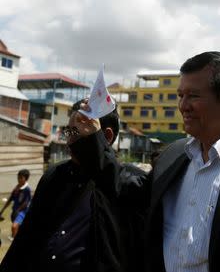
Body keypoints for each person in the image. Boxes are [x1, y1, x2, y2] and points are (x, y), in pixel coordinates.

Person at [67, 51, 220, 272]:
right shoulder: (173, 155)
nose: (183, 106)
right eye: (180, 95)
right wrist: (92, 139)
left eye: (193, 96)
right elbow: (130, 190)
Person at [0, 102, 148, 272]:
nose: (69, 140)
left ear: (106, 136)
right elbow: (26, 240)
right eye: (68, 131)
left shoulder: (128, 184)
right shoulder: (55, 176)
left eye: (77, 131)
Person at [0, 169, 32, 241]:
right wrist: (2, 210)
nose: (19, 179)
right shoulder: (16, 188)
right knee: (17, 227)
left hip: (22, 212)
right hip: (15, 211)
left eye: (21, 178)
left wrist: (18, 210)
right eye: (18, 177)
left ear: (26, 179)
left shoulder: (27, 189)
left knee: (14, 227)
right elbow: (10, 199)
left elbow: (26, 202)